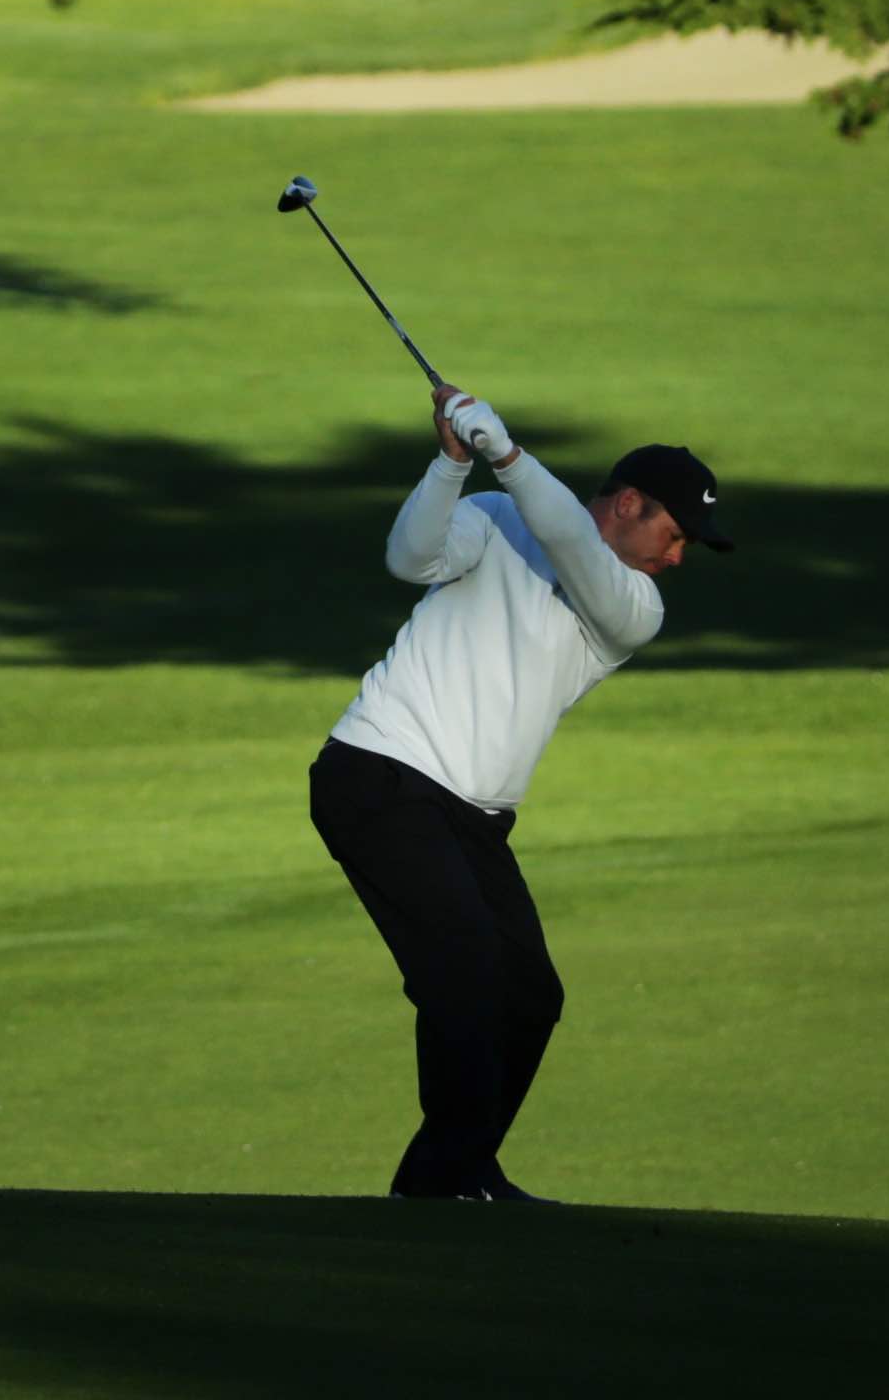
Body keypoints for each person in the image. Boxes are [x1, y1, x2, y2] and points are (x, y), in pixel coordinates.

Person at [307, 393, 735, 1204]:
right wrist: (454, 463)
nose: (678, 557)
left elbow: (572, 539)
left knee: (531, 996)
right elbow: (410, 558)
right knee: (465, 973)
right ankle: (443, 1187)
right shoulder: (502, 515)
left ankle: (459, 1171)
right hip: (380, 774)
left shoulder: (636, 608)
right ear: (631, 503)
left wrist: (507, 453)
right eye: (675, 535)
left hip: (469, 819)